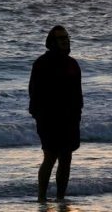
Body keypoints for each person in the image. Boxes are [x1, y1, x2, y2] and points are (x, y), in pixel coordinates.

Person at [28, 26, 83, 202]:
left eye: (66, 37)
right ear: (52, 42)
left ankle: (60, 199)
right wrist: (39, 115)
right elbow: (34, 92)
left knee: (66, 159)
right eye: (61, 38)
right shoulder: (41, 63)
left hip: (69, 119)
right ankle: (41, 198)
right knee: (50, 157)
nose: (65, 40)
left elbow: (77, 93)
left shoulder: (72, 64)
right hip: (48, 118)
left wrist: (77, 114)